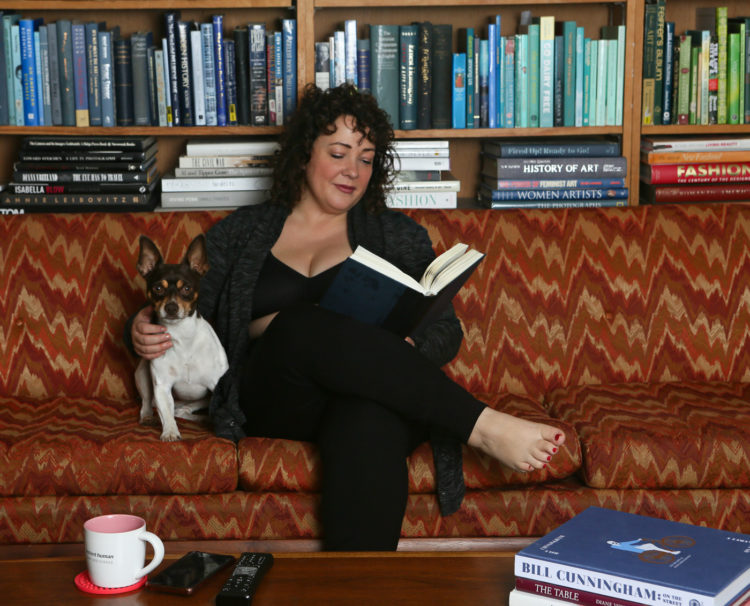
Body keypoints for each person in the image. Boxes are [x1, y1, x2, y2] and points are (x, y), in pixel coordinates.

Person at [127, 84, 565, 551]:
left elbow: (446, 330)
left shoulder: (396, 235)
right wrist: (140, 324)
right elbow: (181, 297)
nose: (353, 171)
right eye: (339, 153)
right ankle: (482, 426)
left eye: (367, 158)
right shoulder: (243, 232)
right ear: (302, 155)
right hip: (278, 394)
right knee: (298, 323)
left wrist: (404, 348)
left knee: (367, 420)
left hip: (375, 391)